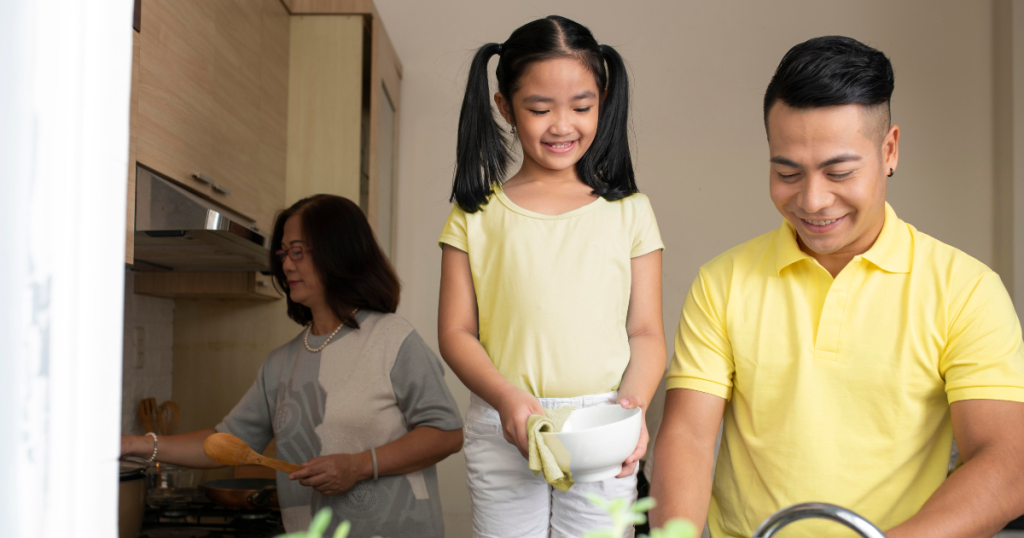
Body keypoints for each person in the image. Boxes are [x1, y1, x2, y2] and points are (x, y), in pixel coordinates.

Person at [649, 36, 1024, 538]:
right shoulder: (723, 281)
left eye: (839, 172)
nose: (813, 199)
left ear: (888, 150)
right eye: (787, 172)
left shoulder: (967, 290)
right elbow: (689, 439)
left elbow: (1006, 465)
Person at [437, 15, 665, 538]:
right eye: (540, 108)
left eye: (582, 107)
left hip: (602, 423)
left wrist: (631, 411)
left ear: (603, 103)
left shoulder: (629, 210)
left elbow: (646, 332)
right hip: (504, 422)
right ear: (504, 108)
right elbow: (455, 333)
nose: (562, 125)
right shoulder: (474, 213)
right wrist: (506, 398)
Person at [122, 195, 464, 537]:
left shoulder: (393, 338)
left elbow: (446, 433)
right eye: (283, 254)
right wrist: (136, 445)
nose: (285, 265)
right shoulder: (280, 364)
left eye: (297, 251)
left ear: (338, 251)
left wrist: (358, 466)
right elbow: (224, 443)